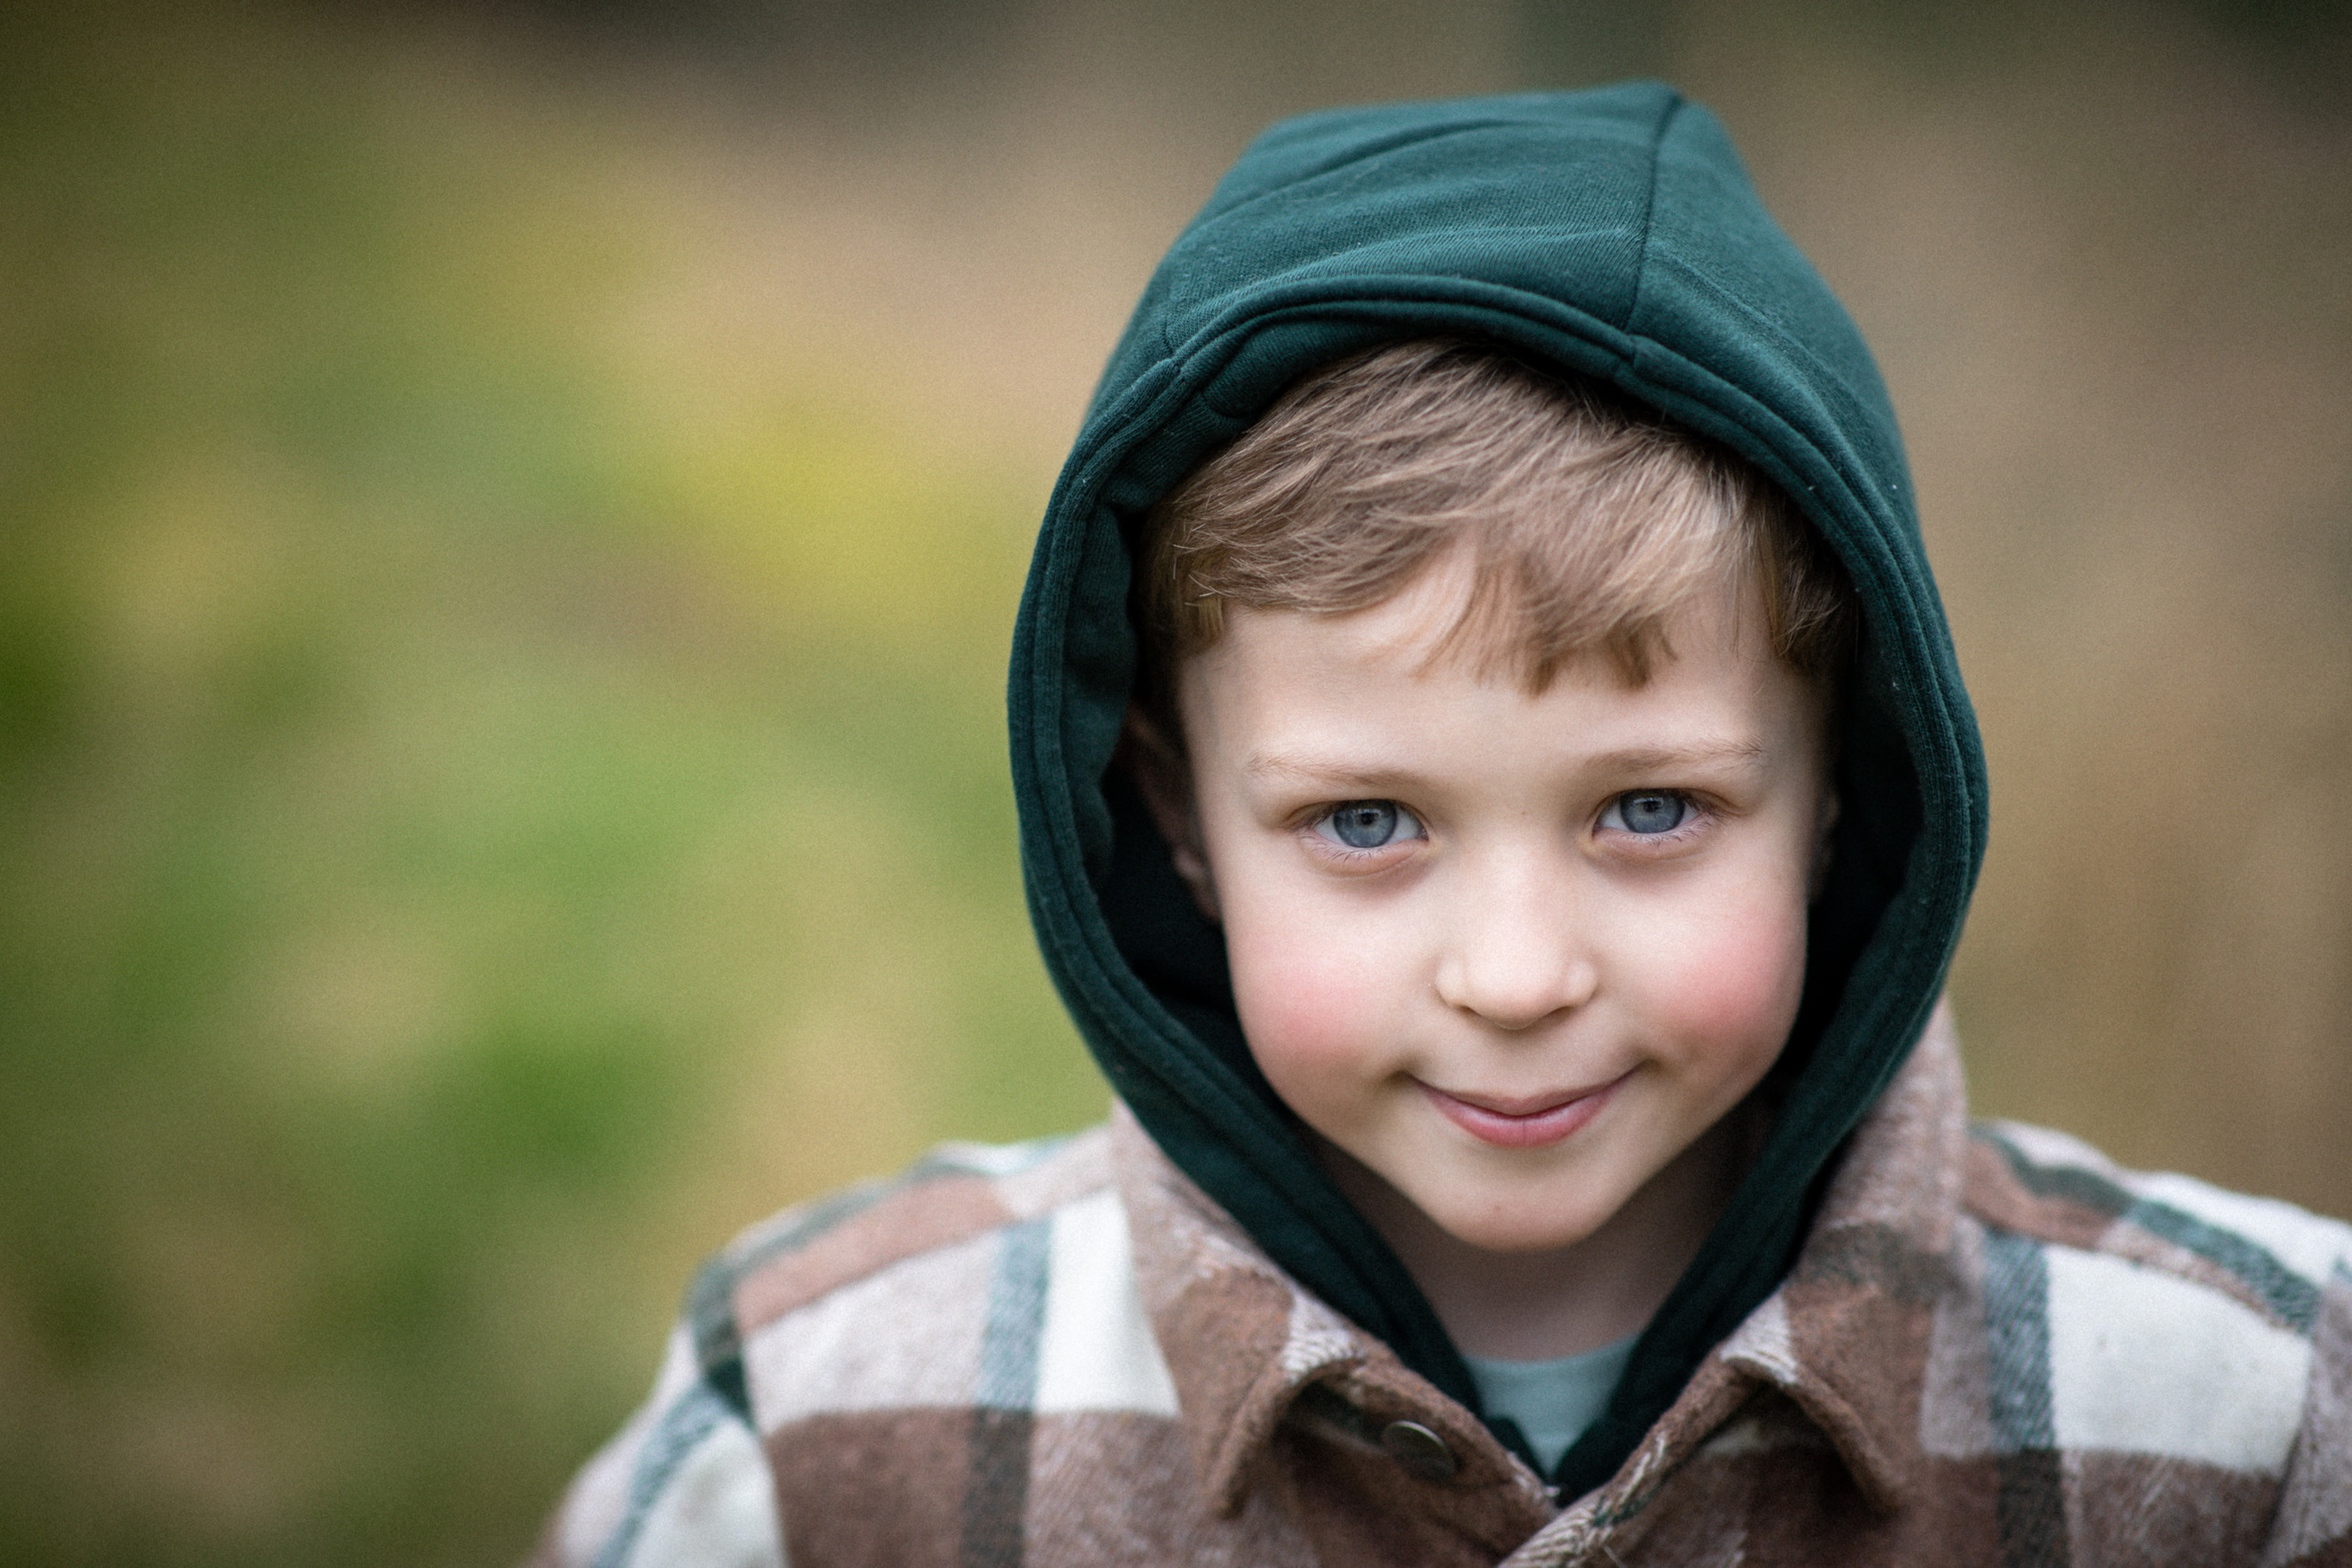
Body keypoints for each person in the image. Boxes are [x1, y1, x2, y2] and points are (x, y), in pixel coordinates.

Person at [530, 85, 2352, 1566]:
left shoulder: (2250, 1420)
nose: (1510, 971)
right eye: (1364, 821)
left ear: (1834, 798)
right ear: (1173, 816)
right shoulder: (820, 1426)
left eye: (1647, 806)